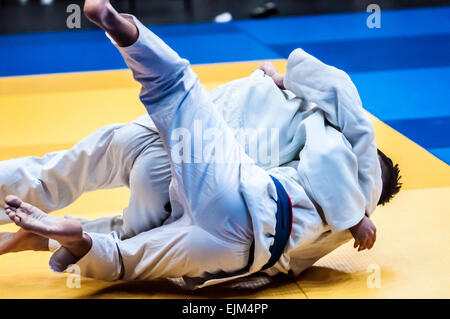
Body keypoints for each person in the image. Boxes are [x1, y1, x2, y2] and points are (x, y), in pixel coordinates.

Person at [0, 0, 401, 289]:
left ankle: (128, 34)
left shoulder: (329, 142)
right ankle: (69, 241)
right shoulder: (342, 180)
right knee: (131, 255)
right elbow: (284, 267)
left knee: (68, 166)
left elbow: (337, 92)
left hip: (184, 155)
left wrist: (279, 78)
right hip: (232, 228)